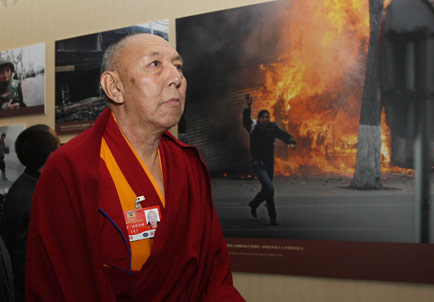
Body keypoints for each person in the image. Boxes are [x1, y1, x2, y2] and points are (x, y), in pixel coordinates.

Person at [26, 33, 244, 301]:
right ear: (114, 87)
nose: (176, 78)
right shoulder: (71, 170)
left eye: (178, 66)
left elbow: (214, 271)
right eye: (155, 64)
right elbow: (59, 285)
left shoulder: (187, 164)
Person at [0, 124, 60, 302]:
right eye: (59, 146)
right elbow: (25, 267)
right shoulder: (35, 199)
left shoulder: (24, 185)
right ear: (52, 157)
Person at [243, 94, 296, 226]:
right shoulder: (253, 127)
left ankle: (266, 213)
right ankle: (264, 210)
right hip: (257, 164)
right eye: (263, 117)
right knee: (269, 188)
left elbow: (284, 135)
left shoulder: (273, 128)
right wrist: (248, 107)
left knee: (268, 190)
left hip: (269, 163)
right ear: (259, 118)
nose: (266, 119)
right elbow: (245, 120)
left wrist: (291, 142)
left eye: (267, 117)